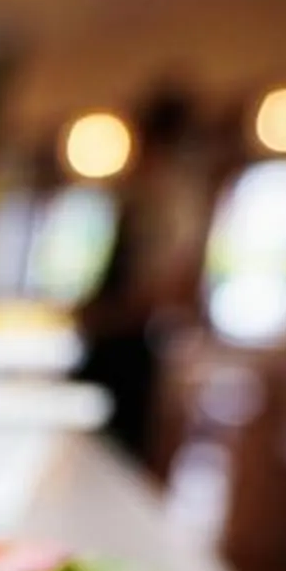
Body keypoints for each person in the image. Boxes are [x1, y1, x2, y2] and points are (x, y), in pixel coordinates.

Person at [77, 85, 211, 465]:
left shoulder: (170, 196)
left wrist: (103, 317)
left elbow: (164, 288)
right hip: (118, 340)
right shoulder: (143, 192)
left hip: (131, 347)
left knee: (113, 454)